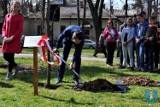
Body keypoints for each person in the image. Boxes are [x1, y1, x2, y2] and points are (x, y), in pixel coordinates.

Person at [1, 1, 24, 80]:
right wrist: (4, 37)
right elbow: (3, 27)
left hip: (14, 40)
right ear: (11, 6)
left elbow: (20, 29)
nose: (16, 8)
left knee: (10, 56)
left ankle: (9, 74)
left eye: (18, 7)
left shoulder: (20, 17)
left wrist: (12, 37)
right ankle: (16, 66)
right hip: (6, 40)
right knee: (5, 56)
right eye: (15, 6)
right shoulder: (7, 16)